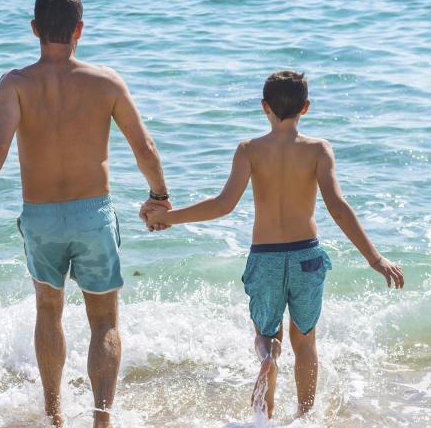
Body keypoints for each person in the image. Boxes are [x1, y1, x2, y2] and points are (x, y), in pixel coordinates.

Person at [0, 0, 171, 428]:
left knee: (48, 310)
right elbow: (143, 146)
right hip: (93, 214)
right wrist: (159, 196)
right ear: (79, 30)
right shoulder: (106, 81)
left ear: (34, 29)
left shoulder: (16, 85)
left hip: (41, 216)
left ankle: (54, 416)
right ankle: (102, 418)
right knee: (104, 318)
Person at [143, 70, 403, 419]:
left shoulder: (250, 150)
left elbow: (223, 205)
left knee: (268, 336)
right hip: (306, 258)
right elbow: (338, 208)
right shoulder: (318, 150)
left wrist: (167, 218)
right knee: (306, 341)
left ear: (264, 106)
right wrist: (375, 257)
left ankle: (266, 372)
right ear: (306, 108)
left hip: (265, 258)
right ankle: (305, 416)